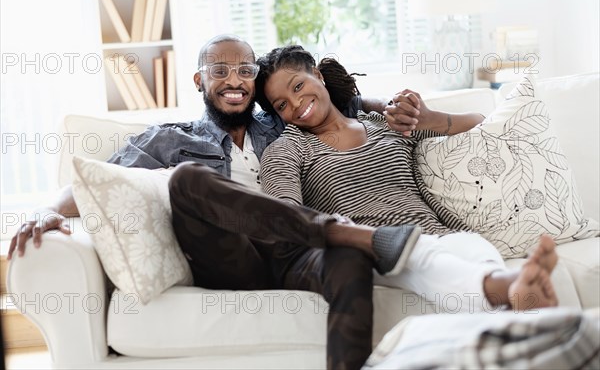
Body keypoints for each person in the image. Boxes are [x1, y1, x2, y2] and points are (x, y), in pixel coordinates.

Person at [8, 34, 424, 370]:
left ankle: (343, 243)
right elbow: (97, 178)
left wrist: (386, 107)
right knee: (189, 179)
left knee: (350, 258)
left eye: (245, 70)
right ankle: (336, 229)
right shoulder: (172, 137)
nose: (234, 80)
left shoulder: (280, 119)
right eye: (220, 71)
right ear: (198, 81)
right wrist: (45, 211)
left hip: (296, 253)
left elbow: (340, 104)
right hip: (231, 258)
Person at [253, 44, 559, 315]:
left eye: (297, 87)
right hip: (376, 250)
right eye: (281, 105)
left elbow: (481, 126)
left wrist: (429, 118)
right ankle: (510, 287)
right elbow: (286, 216)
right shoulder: (287, 150)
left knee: (474, 250)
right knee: (418, 256)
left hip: (444, 236)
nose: (294, 105)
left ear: (318, 76)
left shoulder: (383, 124)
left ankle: (514, 295)